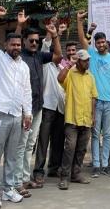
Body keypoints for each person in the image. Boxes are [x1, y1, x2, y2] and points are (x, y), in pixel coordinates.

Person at [0, 7, 32, 208]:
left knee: (12, 155)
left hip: (17, 117)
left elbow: (26, 91)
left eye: (18, 44)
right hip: (0, 114)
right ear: (5, 45)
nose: (16, 47)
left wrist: (27, 113)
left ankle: (9, 189)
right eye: (12, 44)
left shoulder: (24, 66)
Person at [14, 11, 62, 195]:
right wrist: (19, 25)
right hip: (22, 108)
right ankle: (17, 181)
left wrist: (55, 34)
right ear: (24, 41)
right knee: (21, 145)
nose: (34, 43)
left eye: (36, 40)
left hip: (37, 107)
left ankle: (25, 179)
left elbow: (58, 55)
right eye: (31, 40)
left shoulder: (39, 56)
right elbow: (14, 41)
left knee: (29, 145)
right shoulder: (19, 56)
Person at [77, 11, 110, 177]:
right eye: (98, 43)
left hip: (108, 102)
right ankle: (96, 165)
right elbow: (81, 39)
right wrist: (80, 22)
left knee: (107, 134)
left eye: (103, 42)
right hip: (94, 101)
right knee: (95, 134)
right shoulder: (91, 55)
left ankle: (106, 164)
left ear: (107, 44)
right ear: (95, 44)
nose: (101, 45)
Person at [33, 28, 76, 184]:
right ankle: (38, 171)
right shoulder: (46, 65)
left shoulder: (63, 67)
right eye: (55, 54)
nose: (58, 56)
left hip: (61, 109)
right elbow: (46, 45)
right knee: (43, 141)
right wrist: (53, 31)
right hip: (47, 108)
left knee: (58, 141)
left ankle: (53, 168)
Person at [57, 50, 98, 190]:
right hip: (72, 118)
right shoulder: (70, 73)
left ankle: (76, 174)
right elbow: (60, 79)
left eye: (88, 60)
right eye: (85, 60)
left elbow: (93, 97)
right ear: (79, 61)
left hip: (86, 119)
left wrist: (93, 116)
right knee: (70, 148)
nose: (87, 63)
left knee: (81, 149)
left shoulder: (90, 76)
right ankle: (64, 177)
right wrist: (69, 64)